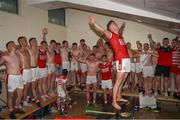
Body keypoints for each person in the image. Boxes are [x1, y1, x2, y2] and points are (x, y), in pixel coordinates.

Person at [89, 16, 130, 110]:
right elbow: (102, 30)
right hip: (121, 60)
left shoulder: (120, 35)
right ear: (110, 29)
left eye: (115, 24)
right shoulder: (111, 35)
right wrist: (94, 23)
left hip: (126, 60)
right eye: (112, 25)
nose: (115, 25)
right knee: (119, 80)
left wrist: (122, 27)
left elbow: (120, 30)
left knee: (123, 79)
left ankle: (119, 96)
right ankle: (114, 102)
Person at [0, 41, 25, 118]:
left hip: (19, 77)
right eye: (12, 44)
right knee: (10, 96)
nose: (14, 45)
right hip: (11, 78)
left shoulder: (17, 55)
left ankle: (16, 108)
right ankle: (11, 111)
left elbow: (22, 65)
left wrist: (19, 53)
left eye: (14, 44)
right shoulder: (5, 57)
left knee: (20, 95)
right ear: (8, 47)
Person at [17, 36, 32, 106]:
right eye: (24, 40)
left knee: (27, 88)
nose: (26, 41)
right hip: (24, 71)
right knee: (21, 88)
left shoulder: (27, 49)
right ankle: (19, 104)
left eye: (26, 40)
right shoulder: (18, 51)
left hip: (29, 70)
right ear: (20, 42)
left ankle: (25, 101)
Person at [28, 37, 41, 107]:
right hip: (32, 69)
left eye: (35, 40)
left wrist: (44, 35)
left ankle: (33, 97)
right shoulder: (28, 49)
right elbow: (19, 47)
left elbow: (44, 43)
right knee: (33, 85)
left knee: (36, 84)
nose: (35, 42)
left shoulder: (37, 48)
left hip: (37, 68)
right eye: (33, 41)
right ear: (30, 42)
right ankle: (36, 99)